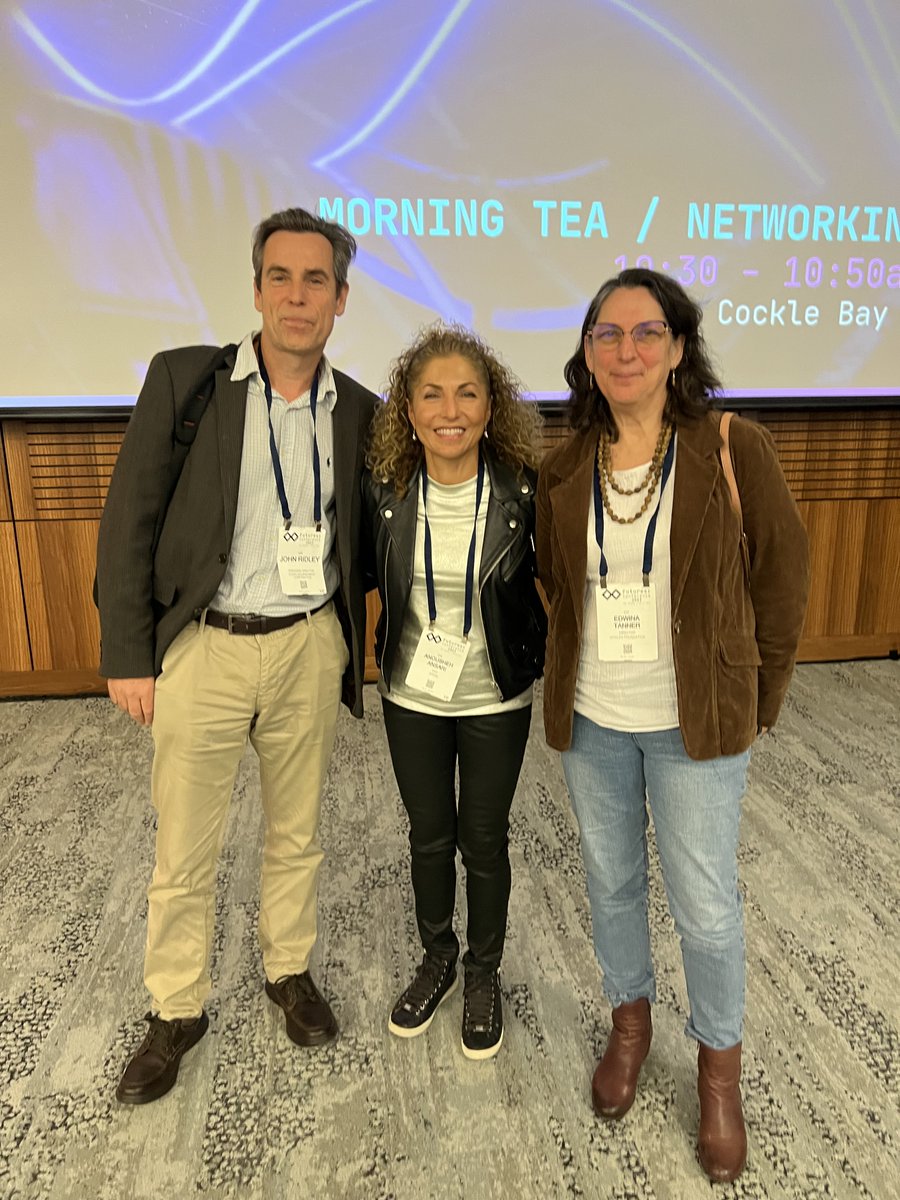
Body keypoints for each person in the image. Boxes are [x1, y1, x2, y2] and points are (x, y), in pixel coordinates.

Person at [96, 207, 378, 1104]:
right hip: (207, 649)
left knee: (297, 835)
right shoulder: (187, 383)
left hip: (305, 645)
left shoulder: (362, 410)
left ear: (341, 297)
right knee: (184, 846)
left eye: (317, 281)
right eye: (282, 278)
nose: (299, 297)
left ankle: (287, 970)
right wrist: (128, 652)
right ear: (257, 288)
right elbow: (128, 522)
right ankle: (176, 1008)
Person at [536, 268, 809, 1181]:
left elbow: (782, 579)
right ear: (586, 351)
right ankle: (630, 1024)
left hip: (696, 719)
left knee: (705, 904)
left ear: (679, 347)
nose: (626, 350)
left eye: (646, 333)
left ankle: (718, 1071)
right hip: (597, 717)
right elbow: (552, 585)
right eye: (606, 335)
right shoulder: (565, 465)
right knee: (611, 883)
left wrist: (756, 701)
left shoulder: (733, 446)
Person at [363, 324, 546, 1060]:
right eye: (432, 393)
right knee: (429, 837)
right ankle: (437, 958)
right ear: (407, 410)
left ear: (491, 405)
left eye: (467, 392)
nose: (450, 408)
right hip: (411, 695)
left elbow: (561, 584)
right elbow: (359, 576)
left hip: (495, 697)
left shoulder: (525, 491)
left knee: (485, 839)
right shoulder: (382, 492)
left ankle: (482, 971)